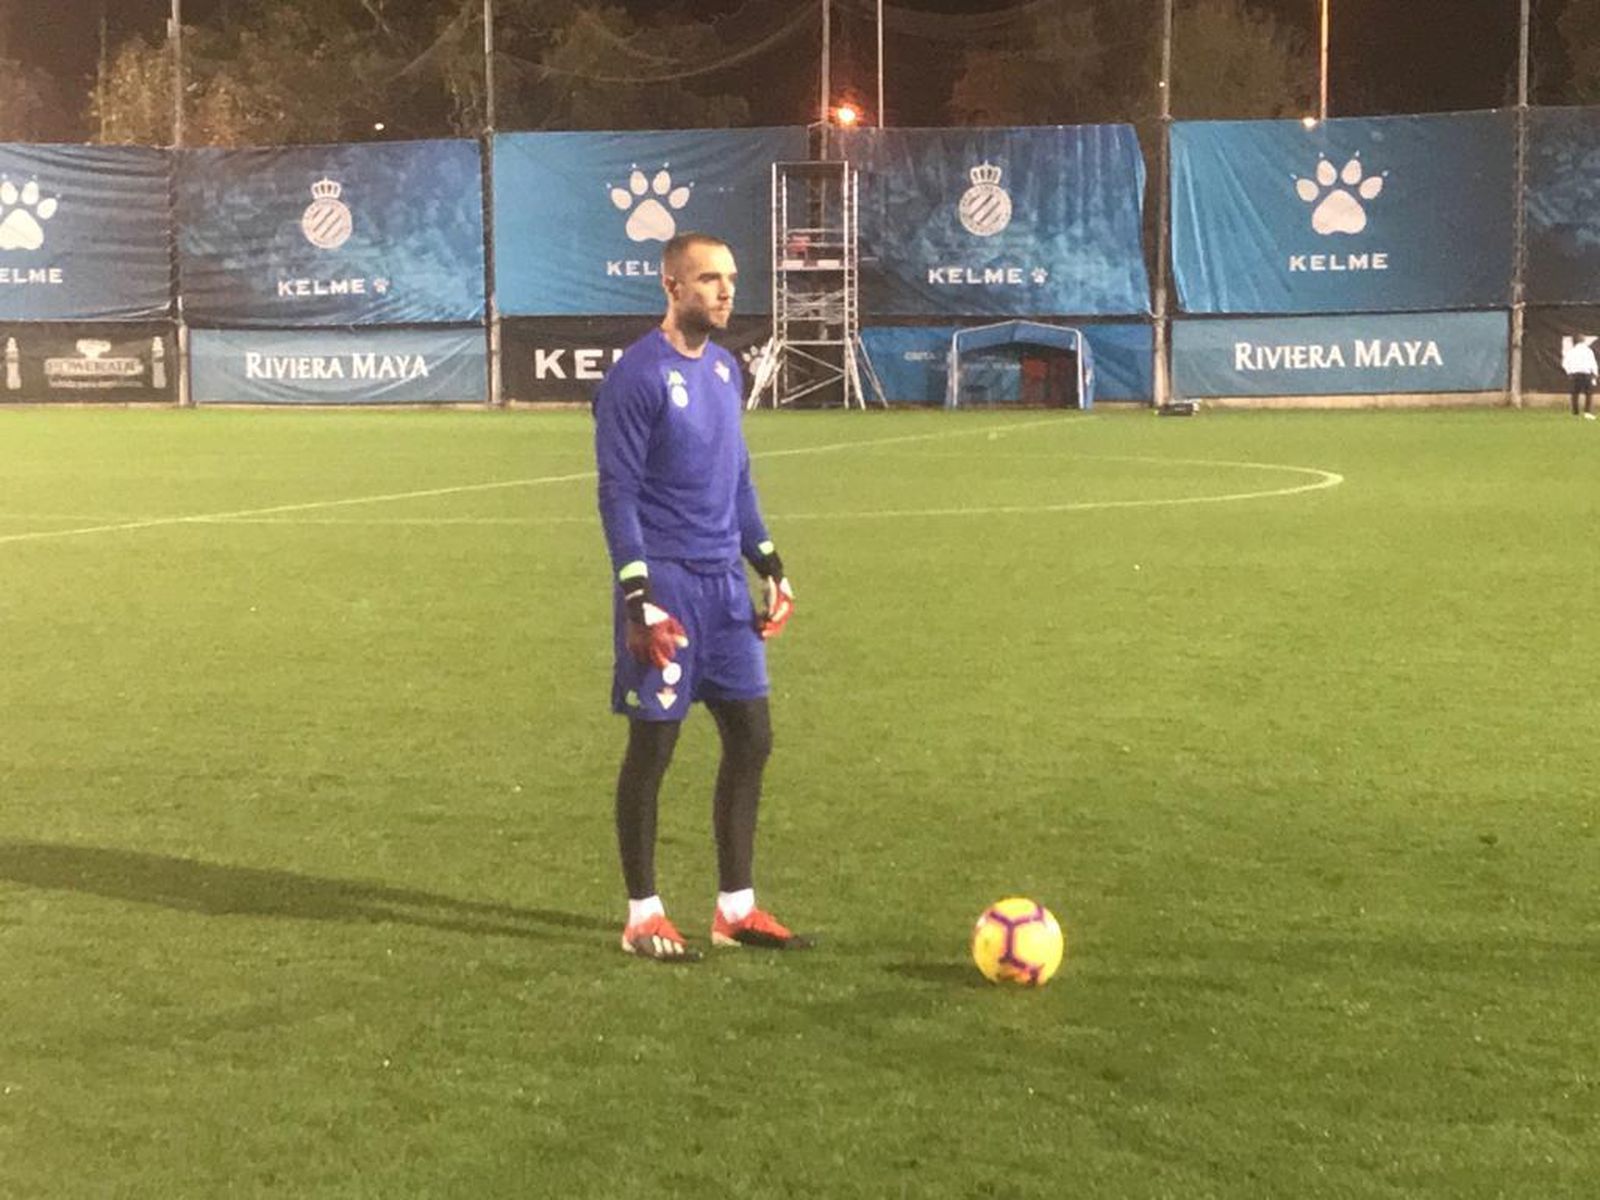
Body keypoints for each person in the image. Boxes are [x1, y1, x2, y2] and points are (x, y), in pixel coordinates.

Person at [592, 231, 810, 962]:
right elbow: (617, 493)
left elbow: (736, 476)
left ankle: (735, 910)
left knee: (751, 736)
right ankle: (642, 914)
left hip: (725, 588)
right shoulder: (636, 377)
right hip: (668, 588)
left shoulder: (723, 369)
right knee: (654, 746)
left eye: (731, 278)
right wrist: (638, 598)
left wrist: (770, 562)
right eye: (710, 278)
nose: (726, 291)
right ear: (672, 287)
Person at [1561, 335, 1598, 419]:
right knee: (1589, 393)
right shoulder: (1588, 351)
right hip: (1586, 374)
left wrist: (1569, 372)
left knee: (1574, 394)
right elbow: (1593, 363)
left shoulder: (1571, 351)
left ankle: (1575, 414)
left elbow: (1565, 363)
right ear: (1583, 341)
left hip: (1575, 374)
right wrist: (1595, 373)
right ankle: (1587, 413)